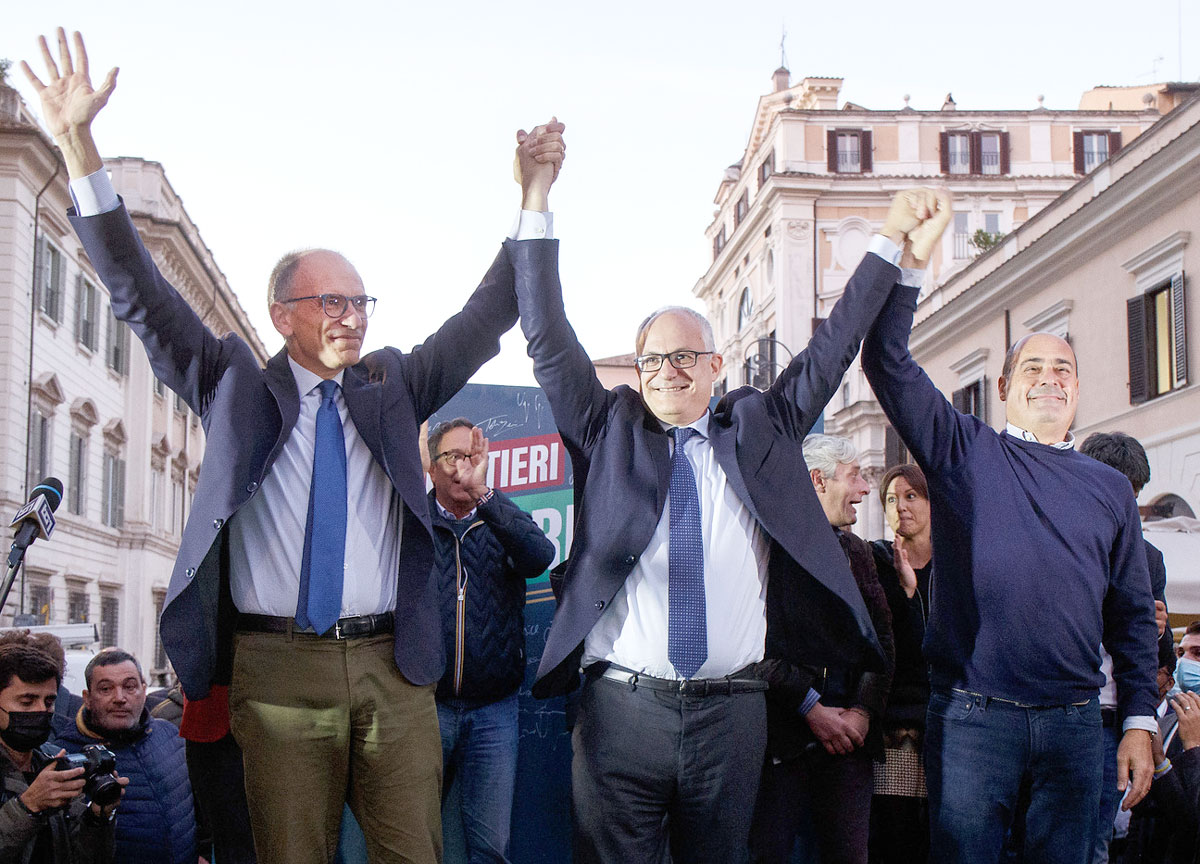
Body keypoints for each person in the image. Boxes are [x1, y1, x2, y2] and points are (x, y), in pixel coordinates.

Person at [22, 28, 565, 864]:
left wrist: (533, 196)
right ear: (284, 315)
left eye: (361, 301)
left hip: (395, 665)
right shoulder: (233, 380)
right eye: (331, 302)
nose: (351, 316)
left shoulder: (395, 386)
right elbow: (137, 291)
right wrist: (75, 143)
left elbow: (485, 317)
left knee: (412, 853)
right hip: (276, 670)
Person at [510, 166, 946, 860]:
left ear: (718, 366)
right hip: (620, 714)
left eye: (686, 356)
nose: (668, 371)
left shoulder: (760, 431)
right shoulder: (607, 429)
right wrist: (535, 200)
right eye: (653, 358)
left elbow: (832, 349)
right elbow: (546, 336)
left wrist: (890, 236)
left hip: (733, 718)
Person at [860, 189, 1161, 864]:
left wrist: (1140, 718)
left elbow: (1133, 616)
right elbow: (885, 360)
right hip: (973, 720)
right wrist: (911, 265)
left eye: (1064, 370)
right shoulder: (964, 450)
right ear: (1003, 389)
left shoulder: (1110, 488)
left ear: (1078, 390)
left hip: (1078, 725)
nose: (1050, 379)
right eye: (1033, 367)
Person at [749, 434, 895, 864]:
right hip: (781, 740)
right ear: (818, 480)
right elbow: (752, 646)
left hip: (851, 742)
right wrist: (811, 708)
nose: (866, 489)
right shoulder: (765, 548)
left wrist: (862, 713)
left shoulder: (857, 552)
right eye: (855, 477)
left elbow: (882, 642)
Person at [427, 418, 556, 863]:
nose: (463, 466)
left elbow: (540, 557)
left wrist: (486, 497)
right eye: (452, 456)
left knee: (490, 848)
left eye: (472, 456)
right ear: (431, 466)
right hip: (426, 707)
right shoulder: (413, 524)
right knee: (414, 841)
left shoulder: (501, 519)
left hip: (493, 712)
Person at [1079, 431, 1173, 864]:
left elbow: (1164, 660)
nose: (1124, 504)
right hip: (1059, 705)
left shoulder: (1149, 558)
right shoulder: (1059, 539)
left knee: (1095, 842)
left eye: (1132, 493)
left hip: (1111, 718)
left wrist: (1153, 632)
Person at [53, 649, 196, 864]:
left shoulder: (171, 736)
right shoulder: (66, 757)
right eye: (106, 689)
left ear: (144, 690)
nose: (119, 698)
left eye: (129, 687)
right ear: (88, 698)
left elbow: (200, 805)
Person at [0, 631, 123, 864]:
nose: (41, 710)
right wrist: (29, 806)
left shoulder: (52, 761)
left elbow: (87, 857)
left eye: (48, 701)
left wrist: (98, 818)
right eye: (27, 702)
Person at [868, 463, 933, 864]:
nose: (901, 507)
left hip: (946, 727)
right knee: (893, 838)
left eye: (911, 496)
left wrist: (914, 594)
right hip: (894, 728)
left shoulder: (956, 569)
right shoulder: (874, 563)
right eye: (892, 499)